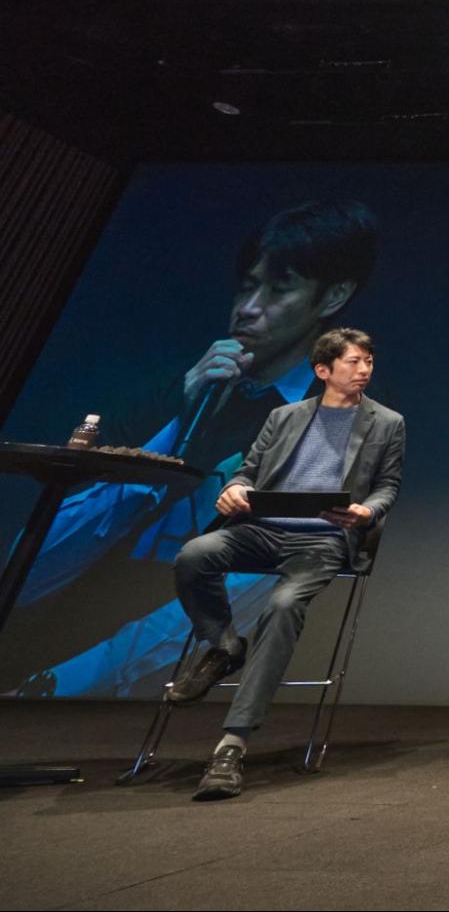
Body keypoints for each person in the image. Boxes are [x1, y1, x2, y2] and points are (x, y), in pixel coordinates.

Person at [9, 200, 380, 699]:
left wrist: (73, 680)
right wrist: (179, 417)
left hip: (123, 673)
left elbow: (258, 574)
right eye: (247, 286)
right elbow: (33, 565)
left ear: (332, 296)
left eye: (279, 289)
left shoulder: (331, 419)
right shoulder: (176, 392)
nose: (249, 307)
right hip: (47, 626)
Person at [168, 328, 404, 801]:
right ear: (323, 370)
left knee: (283, 605)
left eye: (368, 361)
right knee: (194, 554)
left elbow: (388, 485)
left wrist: (367, 511)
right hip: (261, 529)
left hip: (323, 540)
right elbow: (248, 471)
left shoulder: (386, 422)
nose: (364, 369)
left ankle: (232, 744)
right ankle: (224, 644)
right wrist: (235, 489)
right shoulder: (284, 416)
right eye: (354, 362)